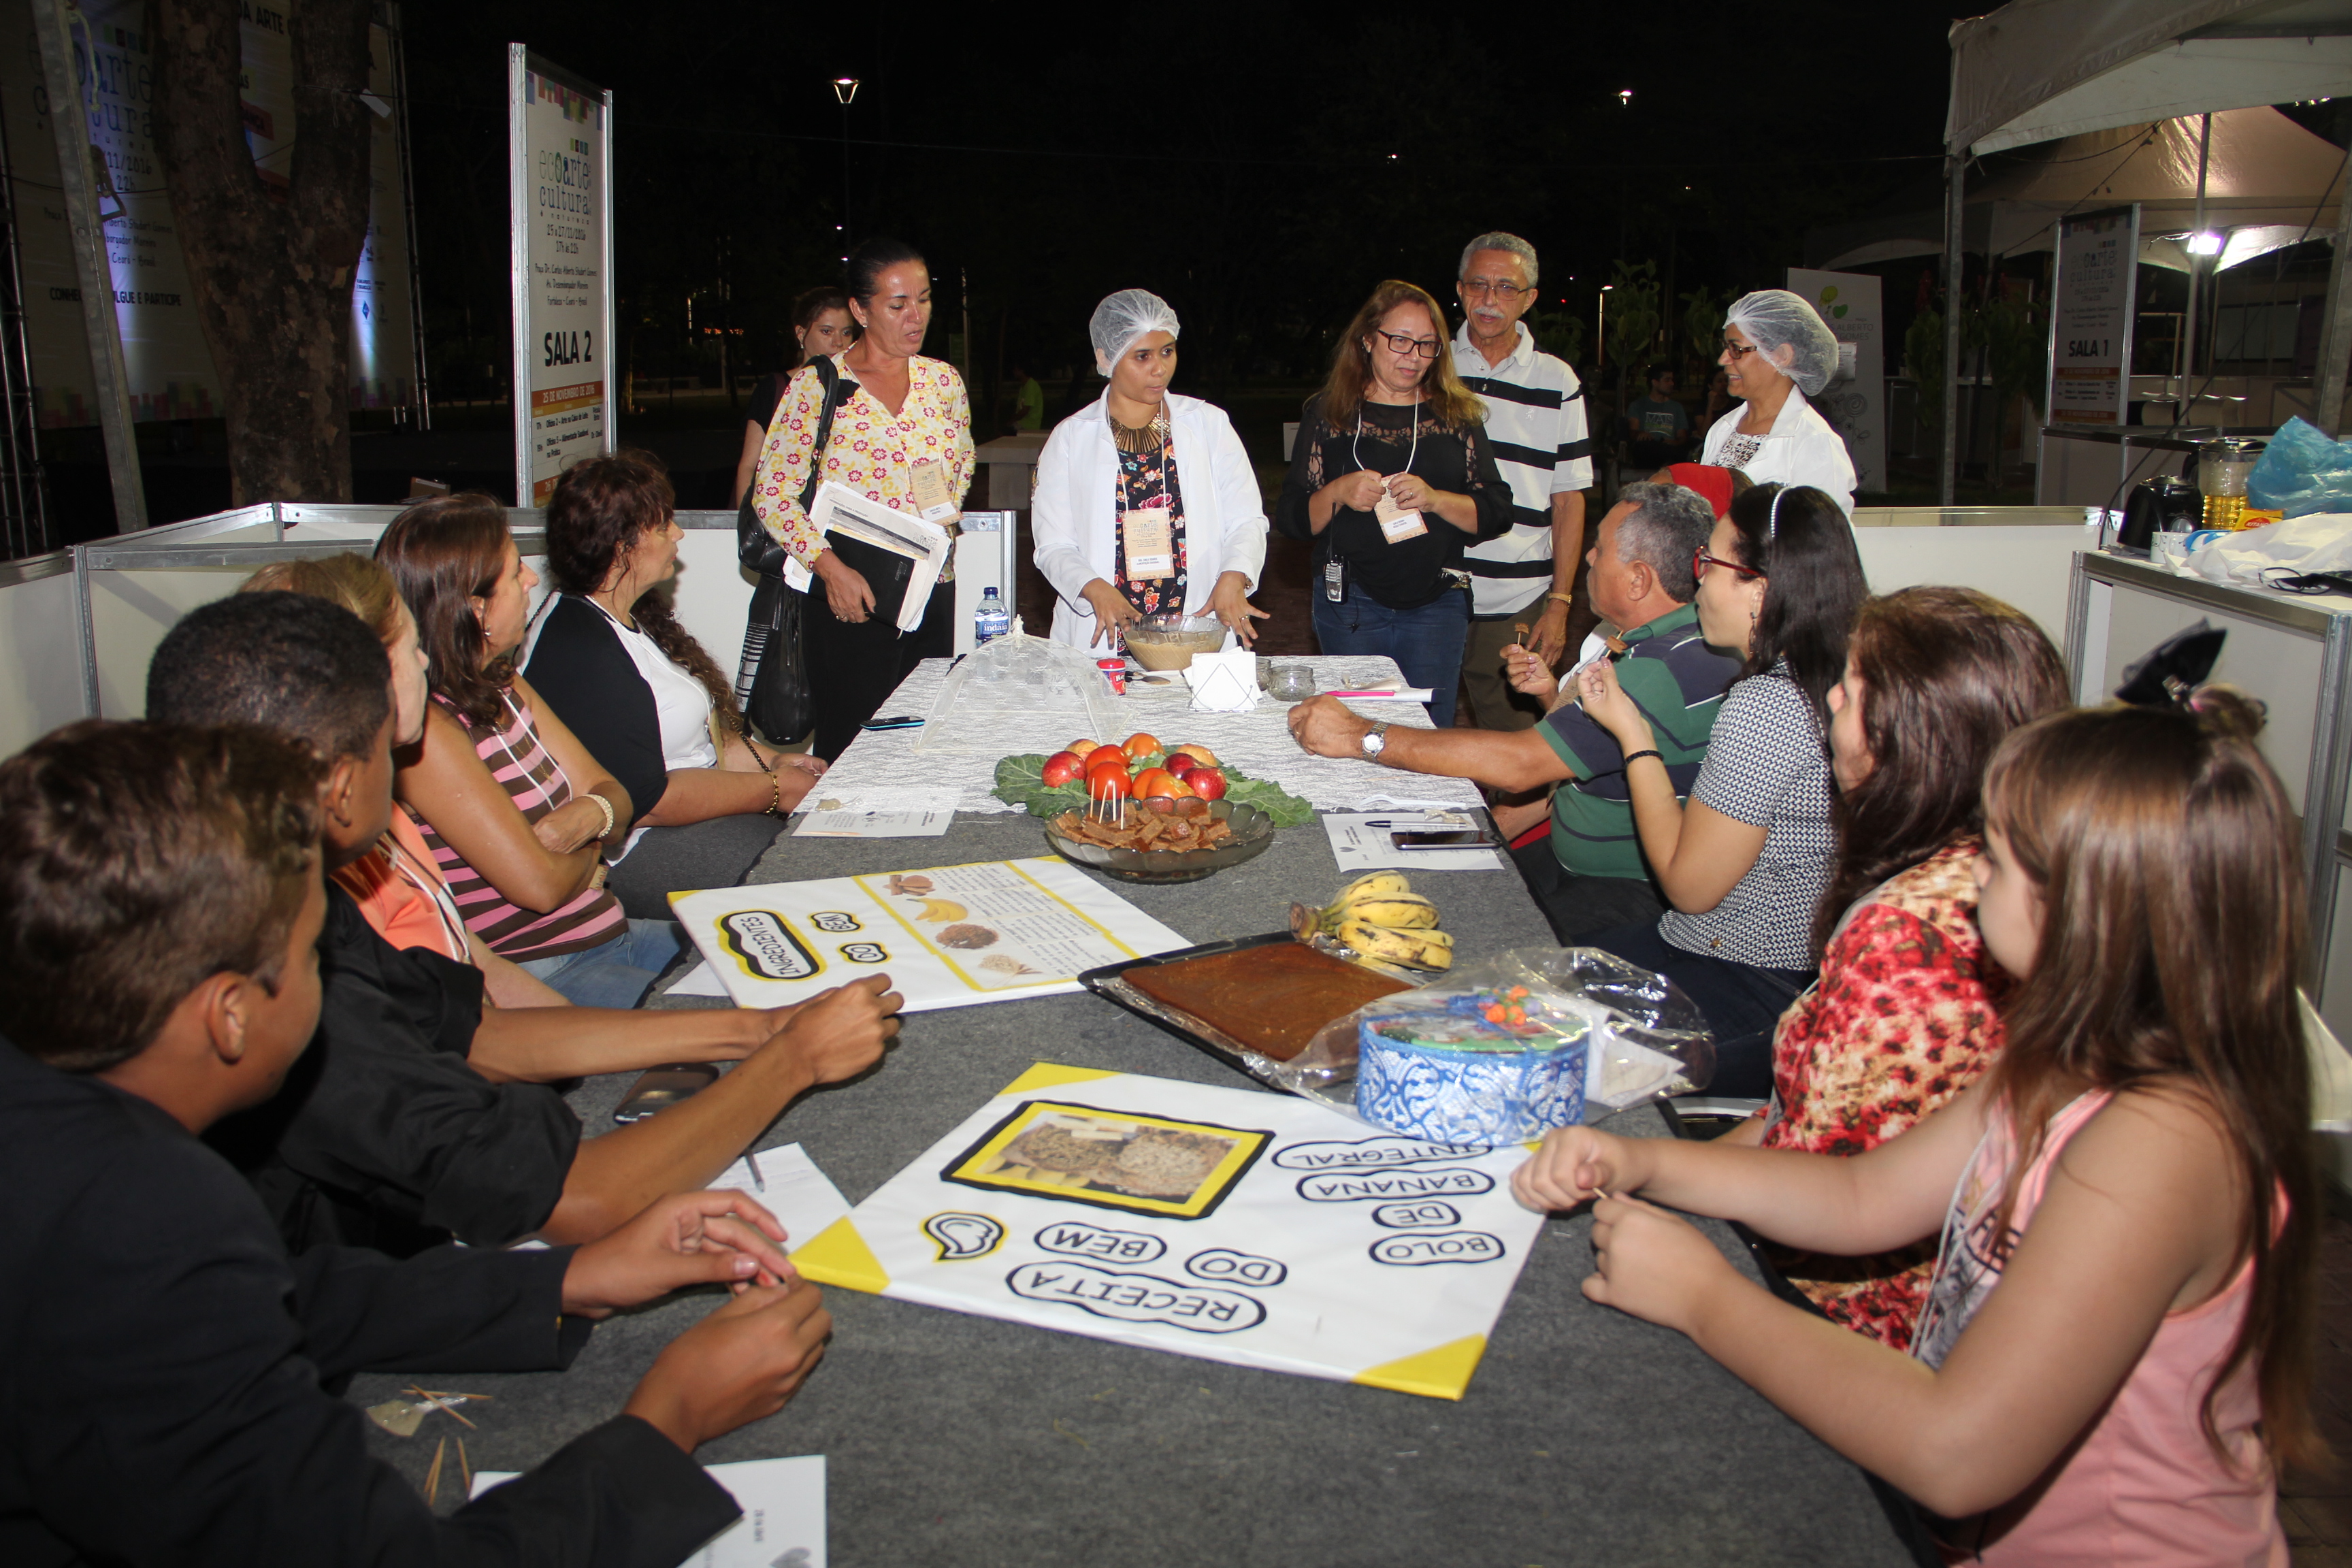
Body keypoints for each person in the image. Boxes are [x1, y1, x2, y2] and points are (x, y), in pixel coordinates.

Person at [0, 718, 844, 1565]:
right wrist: (670, 1419)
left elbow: (276, 1300)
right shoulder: (142, 1222)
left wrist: (565, 1279)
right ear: (231, 1015)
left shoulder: (73, 1134)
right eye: (311, 960)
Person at [1514, 693, 2323, 1563]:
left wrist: (1706, 1297)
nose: (1972, 879)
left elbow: (1955, 1454)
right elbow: (1864, 1195)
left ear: (2087, 905)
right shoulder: (2060, 1061)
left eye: (1997, 859)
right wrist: (1642, 1161)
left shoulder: (2157, 1147)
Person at [148, 591, 906, 1256]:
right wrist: (792, 1059)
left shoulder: (288, 898)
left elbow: (481, 1033)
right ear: (343, 787)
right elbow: (576, 1199)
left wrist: (755, 1029)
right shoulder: (285, 968)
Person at [1722, 587, 2070, 1348]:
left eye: (1851, 690)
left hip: (1847, 1314)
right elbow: (1799, 1121)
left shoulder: (1905, 936)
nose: (1831, 699)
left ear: (1909, 739)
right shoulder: (1998, 876)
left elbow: (1825, 1194)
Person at [1289, 483, 1731, 943]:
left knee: (1456, 938)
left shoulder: (1658, 668)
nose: (1588, 557)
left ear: (1638, 580)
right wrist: (1485, 828)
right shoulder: (1666, 640)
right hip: (1574, 856)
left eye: (1600, 549)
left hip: (1625, 888)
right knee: (1427, 890)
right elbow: (1585, 760)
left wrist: (1359, 734)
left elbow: (1522, 765)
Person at [1574, 483, 1868, 1098]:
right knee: (1543, 972)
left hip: (1755, 975)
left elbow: (1689, 887)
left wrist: (1633, 735)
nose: (1698, 579)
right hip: (1762, 956)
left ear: (1760, 588)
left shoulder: (1768, 704)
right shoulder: (1840, 674)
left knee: (1538, 1032)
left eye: (1709, 563)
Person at [377, 496, 684, 1009]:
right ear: (475, 609)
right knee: (732, 1013)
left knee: (776, 973)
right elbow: (539, 888)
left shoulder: (504, 683)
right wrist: (596, 840)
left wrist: (588, 820)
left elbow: (616, 794)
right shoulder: (431, 733)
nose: (531, 579)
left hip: (611, 933)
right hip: (547, 970)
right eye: (514, 570)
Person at [240, 555, 571, 1009]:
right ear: (369, 677)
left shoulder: (385, 818)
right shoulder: (326, 867)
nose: (424, 660)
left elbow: (482, 968)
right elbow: (467, 1034)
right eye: (412, 647)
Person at [526, 451, 828, 918]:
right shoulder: (579, 648)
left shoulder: (618, 617)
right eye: (664, 525)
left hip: (693, 820)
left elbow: (694, 739)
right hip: (640, 847)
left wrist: (775, 761)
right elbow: (648, 801)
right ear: (622, 546)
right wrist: (775, 789)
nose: (679, 534)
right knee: (816, 880)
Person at [747, 237, 976, 762]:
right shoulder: (818, 386)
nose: (915, 316)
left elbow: (961, 466)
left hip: (929, 589)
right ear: (860, 309)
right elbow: (773, 494)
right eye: (898, 305)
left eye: (923, 299)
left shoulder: (943, 381)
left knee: (919, 744)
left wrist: (935, 526)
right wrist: (829, 570)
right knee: (851, 751)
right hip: (850, 597)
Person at [1275, 280, 1511, 730]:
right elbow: (1292, 519)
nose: (1414, 357)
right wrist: (1337, 493)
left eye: (1427, 345)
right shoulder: (1330, 414)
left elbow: (1498, 511)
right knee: (1353, 731)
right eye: (1400, 341)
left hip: (1438, 602)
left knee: (1428, 735)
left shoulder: (1457, 415)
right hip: (1351, 603)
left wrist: (1437, 500)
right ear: (1368, 339)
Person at [1030, 289, 1269, 652]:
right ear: (1106, 358)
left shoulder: (1209, 424)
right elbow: (1053, 544)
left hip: (1195, 623)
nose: (1159, 368)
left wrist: (1234, 576)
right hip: (1107, 629)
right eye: (1142, 356)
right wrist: (1093, 588)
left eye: (1167, 352)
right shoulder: (1070, 438)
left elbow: (1247, 520)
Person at [1449, 232, 1593, 732]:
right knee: (1415, 734)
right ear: (1460, 290)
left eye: (1507, 287)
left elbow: (1569, 499)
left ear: (1529, 298)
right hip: (1428, 592)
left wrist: (1560, 605)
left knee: (1517, 746)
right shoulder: (1430, 367)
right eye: (1479, 284)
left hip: (1518, 597)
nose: (1490, 299)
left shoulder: (1558, 381)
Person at [1701, 291, 1857, 513]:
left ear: (1781, 356)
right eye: (1725, 347)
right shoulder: (1723, 429)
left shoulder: (1814, 441)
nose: (1723, 360)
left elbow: (1825, 530)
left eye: (1736, 349)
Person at [732, 286, 855, 508]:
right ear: (801, 333)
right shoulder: (775, 387)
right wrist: (745, 520)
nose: (838, 342)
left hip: (839, 512)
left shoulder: (857, 390)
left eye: (846, 332)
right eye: (826, 331)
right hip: (781, 511)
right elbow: (750, 465)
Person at [1624, 363, 1693, 470]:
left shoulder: (1676, 407)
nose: (1672, 383)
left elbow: (1682, 437)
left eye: (1672, 380)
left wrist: (1675, 442)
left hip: (1669, 449)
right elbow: (1633, 432)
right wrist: (1640, 434)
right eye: (1667, 380)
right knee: (1644, 447)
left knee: (1675, 451)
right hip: (1648, 449)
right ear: (1655, 383)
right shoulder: (1637, 405)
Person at [1009, 361, 1044, 432]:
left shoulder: (1031, 386)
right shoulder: (1024, 386)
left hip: (1029, 424)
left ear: (1022, 371)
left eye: (1016, 370)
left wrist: (1012, 420)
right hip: (1023, 422)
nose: (1014, 372)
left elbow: (1025, 410)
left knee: (1006, 432)